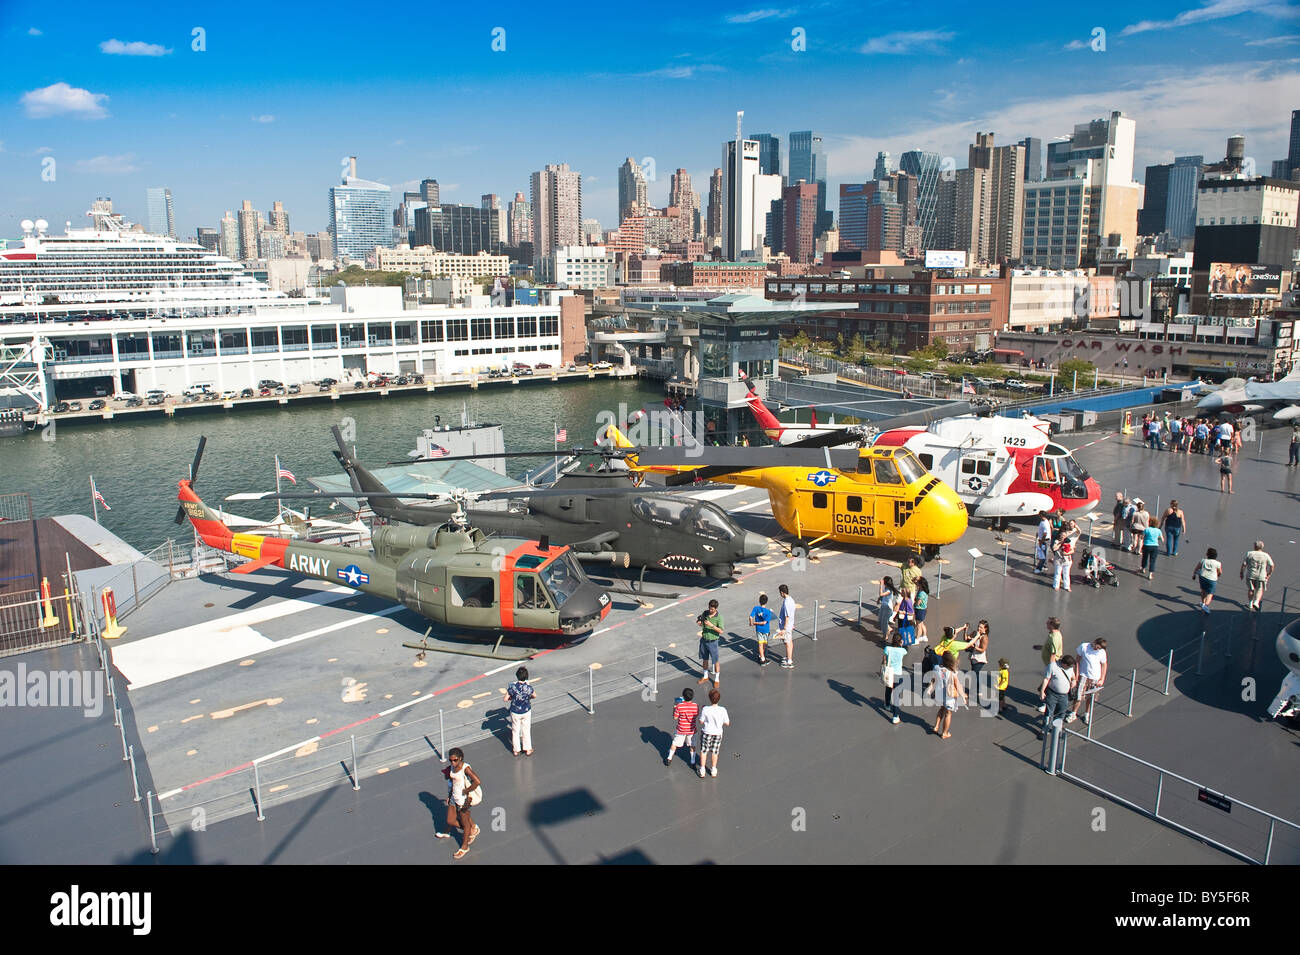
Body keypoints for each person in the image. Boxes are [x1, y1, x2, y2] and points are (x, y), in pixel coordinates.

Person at [438, 748, 482, 859]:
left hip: (464, 800)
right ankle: (472, 829)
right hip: (454, 797)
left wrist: (466, 791)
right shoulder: (452, 767)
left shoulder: (465, 768)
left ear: (460, 758)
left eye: (455, 760)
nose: (453, 762)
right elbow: (452, 782)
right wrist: (449, 796)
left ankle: (464, 846)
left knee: (465, 822)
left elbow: (477, 781)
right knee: (450, 820)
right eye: (451, 760)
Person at [928, 651, 967, 740]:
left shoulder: (936, 668)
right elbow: (957, 685)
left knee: (942, 708)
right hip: (949, 696)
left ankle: (936, 726)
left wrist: (930, 689)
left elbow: (933, 680)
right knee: (948, 714)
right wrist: (963, 695)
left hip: (939, 693)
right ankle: (945, 733)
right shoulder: (952, 672)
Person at [1070, 638, 1108, 725]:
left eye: (1099, 648)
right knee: (1078, 696)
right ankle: (1073, 713)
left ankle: (1087, 714)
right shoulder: (1084, 646)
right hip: (1084, 675)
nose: (1097, 649)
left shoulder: (1102, 652)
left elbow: (1104, 665)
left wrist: (1102, 678)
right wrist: (1076, 675)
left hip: (1095, 678)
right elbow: (1077, 661)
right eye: (1097, 647)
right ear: (1094, 643)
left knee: (1091, 697)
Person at [1038, 654, 1077, 738]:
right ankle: (1045, 729)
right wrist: (1042, 691)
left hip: (1064, 695)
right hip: (1052, 694)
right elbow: (1046, 679)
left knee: (1061, 712)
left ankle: (1057, 729)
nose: (1070, 668)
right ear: (1064, 664)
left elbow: (1073, 677)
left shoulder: (1070, 668)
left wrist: (1074, 681)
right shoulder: (1052, 666)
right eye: (1069, 666)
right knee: (1049, 712)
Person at [697, 688, 730, 778]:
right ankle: (713, 769)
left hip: (707, 732)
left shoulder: (706, 709)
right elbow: (727, 723)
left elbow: (701, 721)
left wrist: (703, 710)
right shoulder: (723, 710)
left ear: (709, 698)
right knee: (715, 752)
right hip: (718, 733)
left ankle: (702, 770)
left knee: (704, 751)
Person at [503, 666, 536, 757]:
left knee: (515, 730)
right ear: (526, 676)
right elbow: (534, 696)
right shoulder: (528, 687)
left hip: (515, 711)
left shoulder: (512, 687)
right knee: (526, 730)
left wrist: (513, 698)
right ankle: (528, 749)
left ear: (517, 676)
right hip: (526, 710)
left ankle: (516, 750)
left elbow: (505, 699)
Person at [665, 687, 699, 767]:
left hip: (681, 729)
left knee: (674, 744)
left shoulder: (679, 706)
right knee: (692, 745)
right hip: (692, 730)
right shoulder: (695, 706)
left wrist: (675, 707)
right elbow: (696, 715)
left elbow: (675, 717)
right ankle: (693, 761)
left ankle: (669, 758)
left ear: (683, 697)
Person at [1037, 617, 1064, 714]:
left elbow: (1054, 653)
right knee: (1047, 684)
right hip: (1049, 663)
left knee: (1048, 684)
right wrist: (1042, 648)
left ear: (1052, 625)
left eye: (1048, 623)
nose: (1046, 624)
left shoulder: (1054, 638)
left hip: (1051, 665)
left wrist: (1050, 668)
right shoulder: (1053, 634)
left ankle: (1046, 704)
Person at [882, 634, 908, 724]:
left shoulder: (887, 649)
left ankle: (887, 704)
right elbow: (906, 651)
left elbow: (884, 660)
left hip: (889, 673)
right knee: (896, 695)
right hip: (898, 674)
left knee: (888, 689)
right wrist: (902, 644)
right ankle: (895, 716)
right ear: (900, 641)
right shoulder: (902, 651)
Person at [1241, 542, 1275, 612]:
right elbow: (1272, 565)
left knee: (1251, 589)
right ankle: (1256, 602)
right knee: (1259, 589)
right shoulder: (1266, 555)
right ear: (1262, 547)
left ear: (1254, 546)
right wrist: (1269, 574)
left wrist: (1241, 572)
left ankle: (1250, 603)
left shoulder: (1249, 553)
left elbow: (1244, 564)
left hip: (1251, 574)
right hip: (1261, 575)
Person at [697, 598, 724, 686]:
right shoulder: (705, 613)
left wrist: (711, 625)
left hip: (713, 642)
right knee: (705, 659)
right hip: (704, 640)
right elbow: (701, 622)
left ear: (716, 609)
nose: (710, 610)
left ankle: (717, 679)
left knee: (715, 661)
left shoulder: (719, 617)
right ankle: (705, 676)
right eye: (709, 608)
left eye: (712, 609)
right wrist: (700, 622)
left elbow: (721, 631)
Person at [968, 620, 990, 708]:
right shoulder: (976, 633)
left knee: (974, 674)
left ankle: (973, 692)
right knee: (975, 674)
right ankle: (979, 690)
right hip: (973, 657)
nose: (979, 628)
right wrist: (965, 630)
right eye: (978, 626)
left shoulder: (984, 637)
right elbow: (966, 638)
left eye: (981, 627)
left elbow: (983, 649)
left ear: (985, 628)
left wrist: (974, 647)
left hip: (979, 659)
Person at [1193, 547, 1223, 615]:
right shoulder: (1218, 563)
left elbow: (1197, 568)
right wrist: (1218, 575)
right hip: (1212, 579)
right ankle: (1205, 606)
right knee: (1210, 593)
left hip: (1202, 577)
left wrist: (1194, 575)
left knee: (1203, 590)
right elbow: (1220, 572)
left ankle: (1203, 603)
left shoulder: (1203, 560)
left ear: (1207, 554)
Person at [749, 592, 774, 665]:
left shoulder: (756, 608)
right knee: (764, 644)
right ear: (766, 602)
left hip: (758, 630)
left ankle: (761, 656)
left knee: (760, 644)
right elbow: (764, 622)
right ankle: (762, 658)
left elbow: (750, 617)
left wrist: (752, 623)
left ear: (759, 601)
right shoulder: (768, 612)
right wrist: (754, 623)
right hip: (765, 630)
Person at [776, 583, 796, 668]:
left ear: (782, 592)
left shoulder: (787, 602)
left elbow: (787, 616)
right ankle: (789, 657)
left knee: (788, 643)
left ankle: (789, 661)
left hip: (786, 626)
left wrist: (784, 628)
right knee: (789, 642)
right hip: (790, 625)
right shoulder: (791, 599)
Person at [878, 576, 900, 641]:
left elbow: (881, 594)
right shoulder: (886, 588)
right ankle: (888, 629)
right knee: (880, 620)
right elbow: (882, 596)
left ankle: (885, 636)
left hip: (887, 608)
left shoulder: (889, 590)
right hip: (883, 606)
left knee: (884, 622)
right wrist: (879, 599)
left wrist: (881, 585)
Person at [913, 578, 931, 642]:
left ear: (920, 584)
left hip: (919, 610)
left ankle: (917, 639)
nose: (916, 583)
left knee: (919, 625)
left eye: (918, 582)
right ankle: (924, 636)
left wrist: (913, 606)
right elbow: (913, 581)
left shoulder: (921, 593)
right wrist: (916, 578)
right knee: (922, 623)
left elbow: (918, 603)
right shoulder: (923, 590)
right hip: (923, 609)